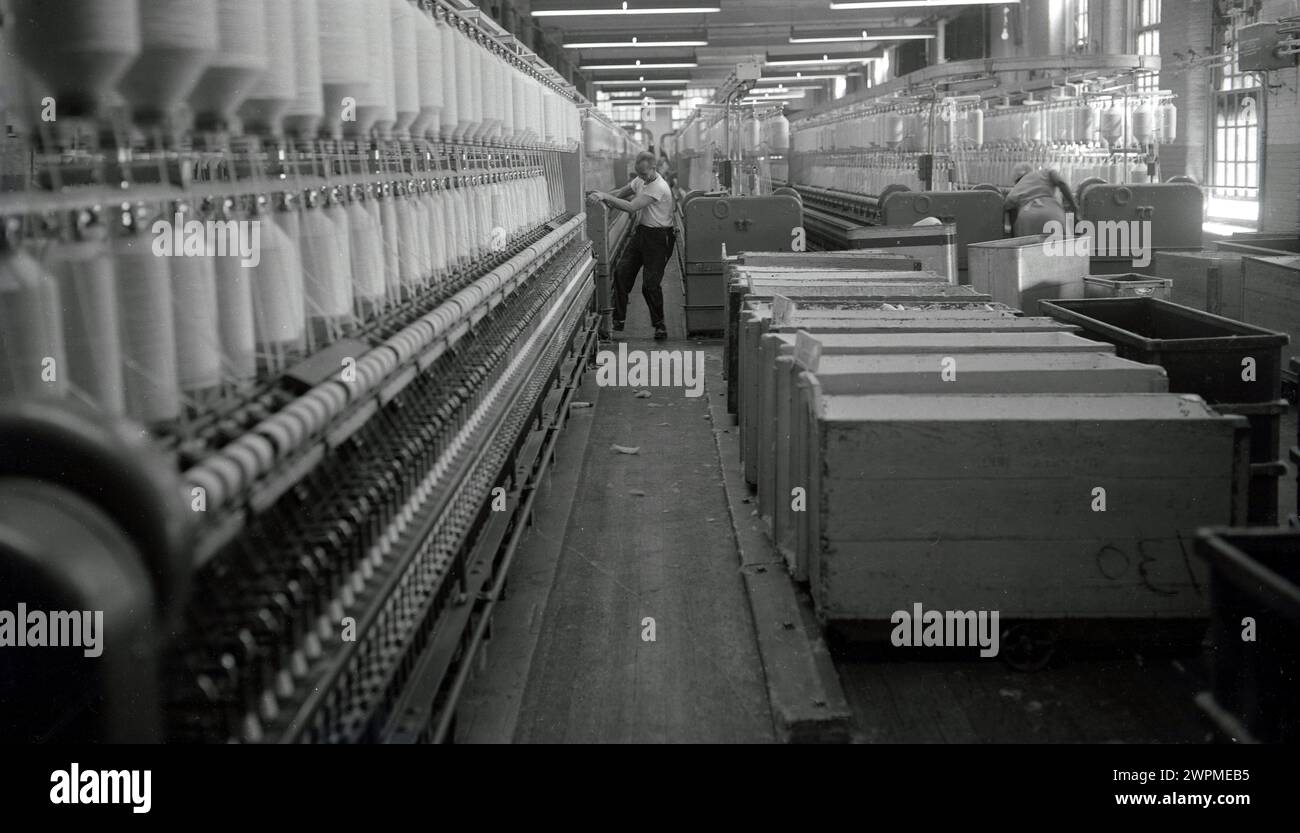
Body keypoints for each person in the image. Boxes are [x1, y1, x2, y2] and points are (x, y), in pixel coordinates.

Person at [587, 151, 676, 341]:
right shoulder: (640, 181)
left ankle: (660, 325)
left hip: (660, 238)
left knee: (650, 285)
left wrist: (606, 197)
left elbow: (631, 206)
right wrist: (599, 199)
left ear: (654, 168)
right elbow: (621, 193)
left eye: (644, 173)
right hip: (642, 233)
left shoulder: (658, 187)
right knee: (621, 274)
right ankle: (617, 320)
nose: (642, 177)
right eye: (639, 174)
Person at [1004, 163, 1078, 237]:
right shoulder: (1045, 172)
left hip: (1026, 219)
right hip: (1051, 214)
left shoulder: (1014, 190)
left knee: (1029, 247)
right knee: (1060, 246)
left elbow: (1008, 210)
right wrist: (1074, 207)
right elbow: (1061, 183)